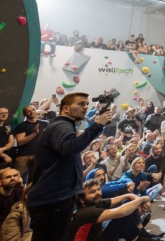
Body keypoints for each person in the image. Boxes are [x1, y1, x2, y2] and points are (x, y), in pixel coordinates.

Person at [27, 92, 113, 241]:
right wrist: (97, 125)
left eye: (87, 104)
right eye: (80, 104)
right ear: (65, 108)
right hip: (52, 201)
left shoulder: (64, 126)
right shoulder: (62, 125)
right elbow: (69, 147)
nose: (85, 107)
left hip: (56, 199)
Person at [66, 179, 162, 241]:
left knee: (125, 203)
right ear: (81, 199)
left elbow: (127, 196)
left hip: (99, 236)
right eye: (92, 192)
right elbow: (122, 212)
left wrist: (138, 200)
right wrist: (142, 199)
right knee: (121, 215)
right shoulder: (85, 212)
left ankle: (141, 234)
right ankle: (137, 238)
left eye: (98, 189)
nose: (97, 193)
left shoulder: (96, 202)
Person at [13, 105, 49, 184]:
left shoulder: (45, 124)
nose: (31, 112)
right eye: (28, 111)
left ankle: (28, 195)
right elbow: (20, 142)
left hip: (38, 154)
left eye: (33, 109)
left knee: (33, 179)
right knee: (15, 177)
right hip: (23, 155)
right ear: (25, 114)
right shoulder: (21, 126)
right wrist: (34, 133)